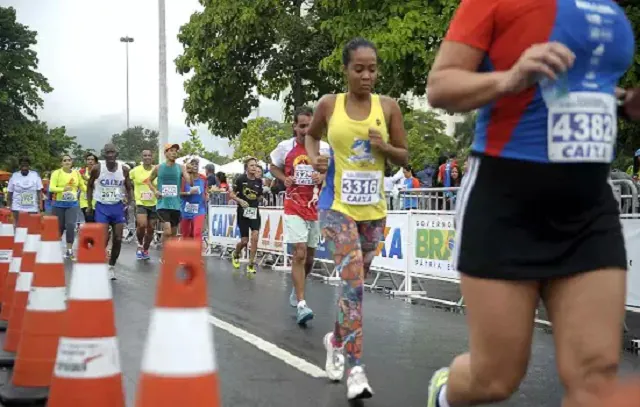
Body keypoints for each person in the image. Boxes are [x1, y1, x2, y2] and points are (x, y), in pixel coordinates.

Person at [424, 1, 635, 407]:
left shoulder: (608, 5)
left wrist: (623, 101)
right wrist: (510, 78)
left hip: (588, 207)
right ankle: (446, 393)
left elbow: (581, 84)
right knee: (496, 378)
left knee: (595, 379)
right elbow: (440, 87)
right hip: (506, 203)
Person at [306, 38, 408, 400]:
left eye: (373, 69)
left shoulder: (390, 107)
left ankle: (335, 340)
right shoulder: (329, 105)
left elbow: (404, 157)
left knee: (354, 286)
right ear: (346, 70)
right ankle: (356, 370)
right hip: (336, 208)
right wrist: (316, 159)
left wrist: (385, 149)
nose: (367, 75)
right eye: (359, 69)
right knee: (353, 286)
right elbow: (311, 136)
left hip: (374, 212)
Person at [270, 106, 330, 325]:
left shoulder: (324, 148)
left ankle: (298, 289)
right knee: (300, 252)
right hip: (293, 205)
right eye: (302, 126)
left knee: (310, 258)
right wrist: (283, 178)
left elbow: (330, 172)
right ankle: (303, 305)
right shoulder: (285, 147)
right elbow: (272, 167)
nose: (306, 130)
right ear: (294, 126)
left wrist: (321, 176)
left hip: (315, 206)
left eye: (310, 125)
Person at [86, 144, 133, 280]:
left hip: (117, 207)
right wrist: (89, 204)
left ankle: (111, 266)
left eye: (113, 152)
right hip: (102, 207)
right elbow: (89, 186)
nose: (111, 155)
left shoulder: (123, 169)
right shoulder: (97, 168)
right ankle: (97, 260)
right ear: (104, 155)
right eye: (108, 153)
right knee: (103, 237)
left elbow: (129, 187)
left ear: (116, 154)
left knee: (118, 238)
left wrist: (129, 202)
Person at [147, 144, 193, 245]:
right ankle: (164, 254)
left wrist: (191, 173)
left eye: (175, 151)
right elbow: (148, 181)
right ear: (166, 153)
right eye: (171, 150)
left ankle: (169, 254)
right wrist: (155, 191)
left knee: (173, 234)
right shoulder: (158, 168)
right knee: (167, 231)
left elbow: (190, 183)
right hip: (163, 204)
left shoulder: (181, 168)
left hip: (176, 205)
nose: (174, 153)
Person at [229, 157, 263, 274]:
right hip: (242, 212)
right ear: (246, 168)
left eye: (255, 165)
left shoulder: (259, 181)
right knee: (244, 241)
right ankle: (236, 253)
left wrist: (258, 200)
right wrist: (240, 201)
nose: (254, 167)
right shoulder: (240, 179)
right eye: (251, 165)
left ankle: (251, 264)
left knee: (255, 237)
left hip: (254, 212)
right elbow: (232, 194)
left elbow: (259, 195)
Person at [49, 155, 81, 259]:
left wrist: (92, 189)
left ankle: (69, 250)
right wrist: (63, 189)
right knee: (59, 227)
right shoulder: (56, 173)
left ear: (72, 162)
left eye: (69, 160)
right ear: (61, 163)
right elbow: (51, 188)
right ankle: (54, 249)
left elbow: (82, 185)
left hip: (72, 204)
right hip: (59, 204)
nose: (67, 162)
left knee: (71, 225)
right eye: (64, 160)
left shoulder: (76, 173)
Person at [130, 150, 157, 261]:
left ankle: (145, 249)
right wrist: (131, 197)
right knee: (142, 225)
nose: (147, 157)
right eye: (145, 156)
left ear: (152, 157)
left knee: (151, 228)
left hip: (154, 203)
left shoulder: (157, 169)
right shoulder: (135, 171)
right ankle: (140, 244)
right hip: (140, 202)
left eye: (149, 155)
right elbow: (128, 183)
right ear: (142, 157)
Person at [7, 157, 44, 224]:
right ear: (19, 166)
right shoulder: (14, 176)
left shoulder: (35, 175)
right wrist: (8, 206)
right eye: (22, 165)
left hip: (32, 208)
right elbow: (10, 192)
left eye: (26, 165)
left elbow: (39, 192)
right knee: (18, 228)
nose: (24, 168)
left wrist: (41, 207)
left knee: (32, 229)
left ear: (29, 166)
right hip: (17, 208)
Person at [180, 157, 207, 242]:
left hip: (199, 208)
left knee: (197, 232)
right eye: (193, 164)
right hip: (186, 208)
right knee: (186, 234)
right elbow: (179, 193)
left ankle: (196, 254)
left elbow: (206, 191)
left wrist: (207, 196)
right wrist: (188, 193)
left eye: (196, 164)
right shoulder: (183, 178)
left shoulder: (203, 178)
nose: (195, 166)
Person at [79, 153, 98, 223]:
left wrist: (87, 180)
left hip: (96, 200)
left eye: (92, 160)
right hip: (85, 200)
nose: (90, 161)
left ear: (95, 162)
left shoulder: (99, 172)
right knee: (89, 218)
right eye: (88, 159)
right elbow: (79, 184)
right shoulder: (81, 172)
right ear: (86, 161)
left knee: (96, 220)